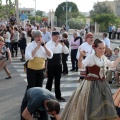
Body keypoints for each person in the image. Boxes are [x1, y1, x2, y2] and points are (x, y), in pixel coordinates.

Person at [60, 39, 120, 120]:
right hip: (91, 85)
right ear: (95, 48)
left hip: (102, 84)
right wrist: (81, 56)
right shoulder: (91, 57)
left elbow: (112, 65)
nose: (102, 50)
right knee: (92, 105)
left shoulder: (103, 58)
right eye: (100, 48)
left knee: (102, 105)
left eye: (103, 48)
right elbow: (81, 67)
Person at [46, 31, 69, 102]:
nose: (57, 38)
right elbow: (49, 53)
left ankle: (58, 96)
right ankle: (47, 96)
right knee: (50, 80)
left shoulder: (60, 43)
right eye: (56, 36)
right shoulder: (49, 44)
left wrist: (63, 45)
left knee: (58, 80)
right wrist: (55, 44)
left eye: (58, 36)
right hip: (51, 62)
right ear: (52, 36)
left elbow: (66, 52)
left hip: (59, 63)